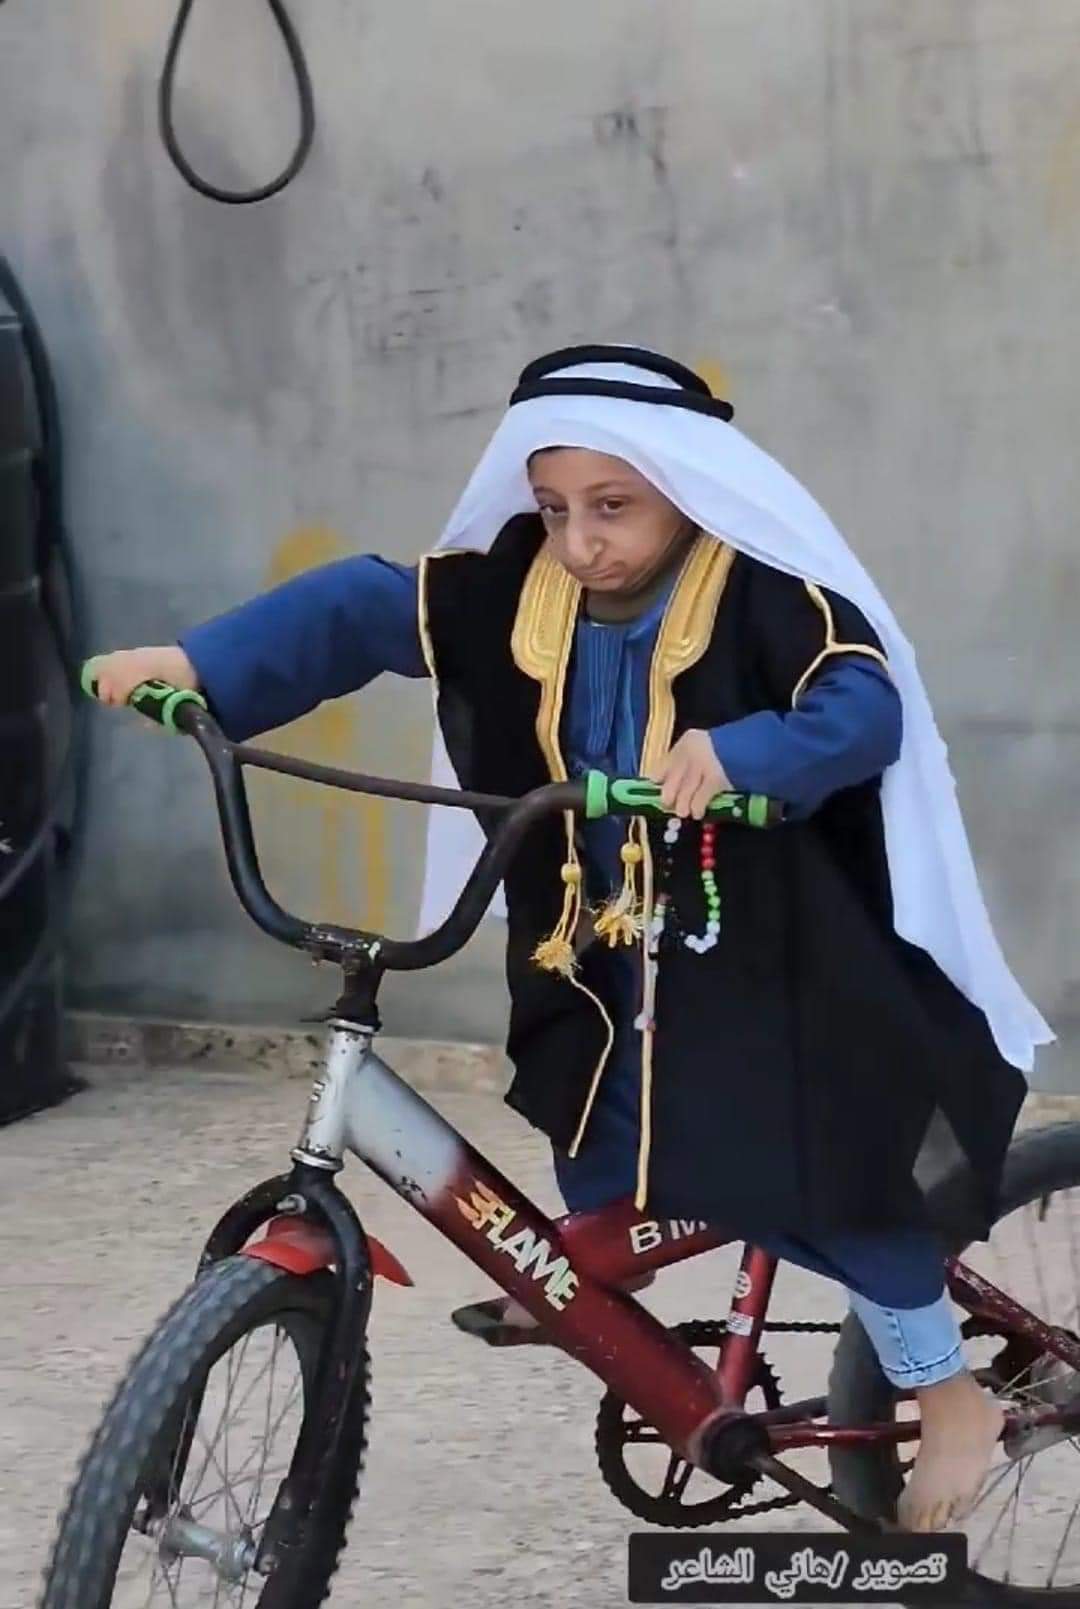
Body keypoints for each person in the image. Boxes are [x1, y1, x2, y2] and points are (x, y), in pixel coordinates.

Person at [90, 345, 1051, 1532]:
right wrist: (196, 667)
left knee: (825, 1161)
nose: (581, 542)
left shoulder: (763, 593)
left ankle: (946, 1391)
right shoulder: (518, 590)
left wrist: (746, 752)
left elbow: (861, 705)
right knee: (583, 1093)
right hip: (594, 928)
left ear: (683, 487)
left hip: (759, 941)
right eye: (553, 509)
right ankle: (591, 1262)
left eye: (613, 507)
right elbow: (364, 606)